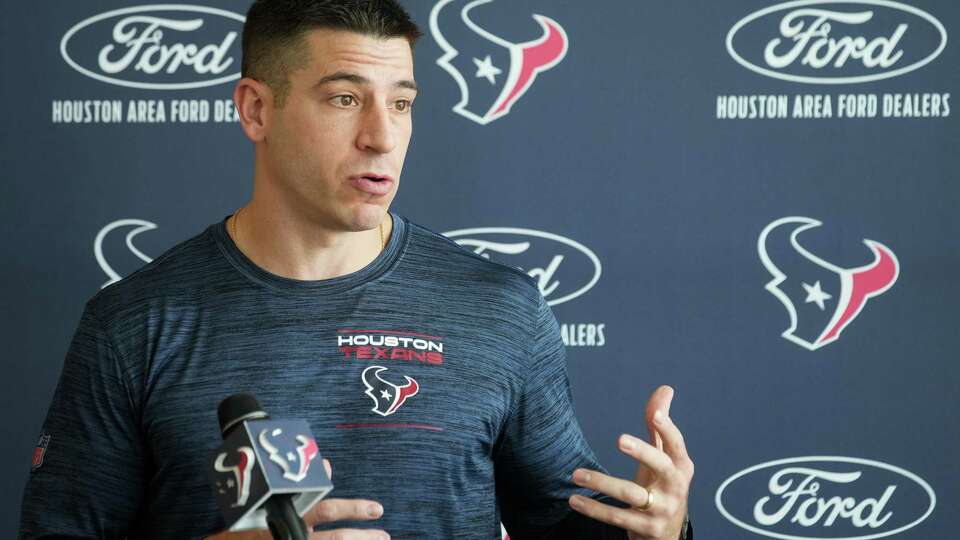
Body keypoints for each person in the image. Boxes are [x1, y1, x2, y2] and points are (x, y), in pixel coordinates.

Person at [19, 1, 693, 539]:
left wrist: (658, 534)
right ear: (257, 109)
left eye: (401, 102)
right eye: (345, 99)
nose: (382, 134)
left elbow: (563, 531)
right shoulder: (135, 323)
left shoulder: (499, 309)